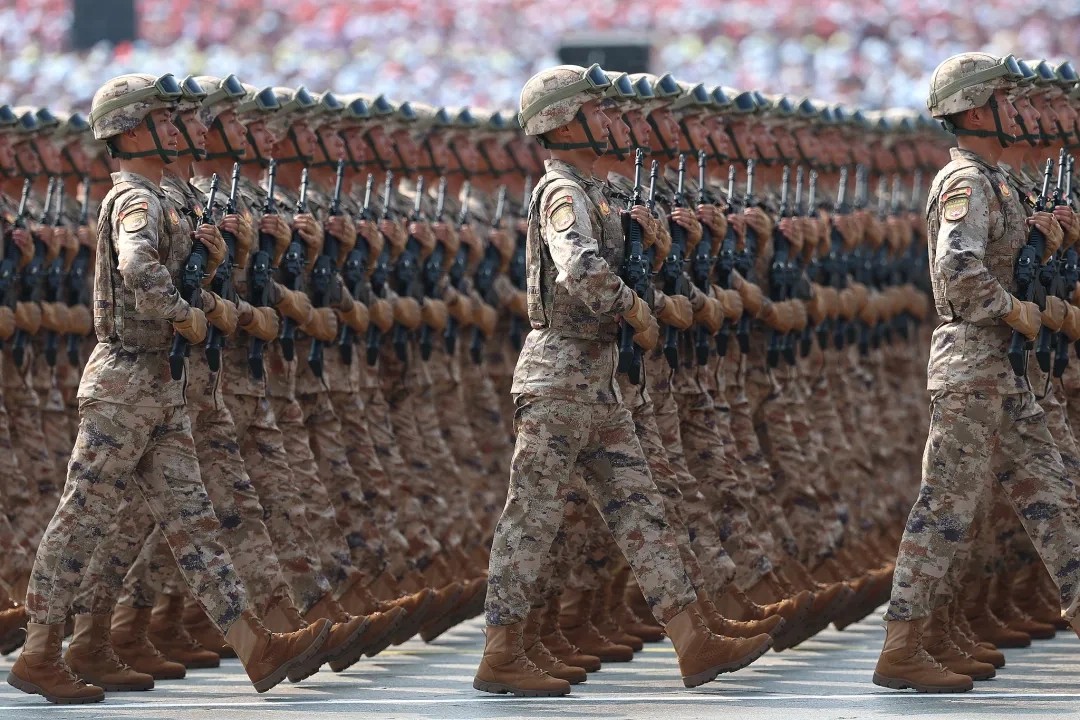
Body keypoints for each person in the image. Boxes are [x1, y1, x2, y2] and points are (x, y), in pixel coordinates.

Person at [6, 73, 328, 705]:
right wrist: (184, 314)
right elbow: (136, 266)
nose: (179, 128)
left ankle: (256, 645)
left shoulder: (162, 198)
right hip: (126, 381)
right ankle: (39, 652)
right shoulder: (136, 200)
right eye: (162, 118)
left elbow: (176, 277)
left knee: (194, 520)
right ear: (129, 131)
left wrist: (210, 288)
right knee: (83, 517)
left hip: (162, 384)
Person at [474, 64, 772, 697]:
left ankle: (692, 638)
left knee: (641, 507)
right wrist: (636, 310)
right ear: (562, 122)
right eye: (595, 109)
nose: (609, 120)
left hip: (596, 378)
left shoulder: (595, 191)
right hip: (560, 376)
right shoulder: (563, 193)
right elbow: (579, 268)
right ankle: (501, 651)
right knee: (533, 515)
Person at [874, 52, 1080, 694]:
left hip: (1004, 367)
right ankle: (901, 646)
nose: (1015, 110)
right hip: (973, 364)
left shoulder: (997, 181)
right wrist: (1016, 310)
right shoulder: (966, 182)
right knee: (946, 507)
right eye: (1002, 99)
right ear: (974, 110)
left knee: (1053, 493)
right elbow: (957, 271)